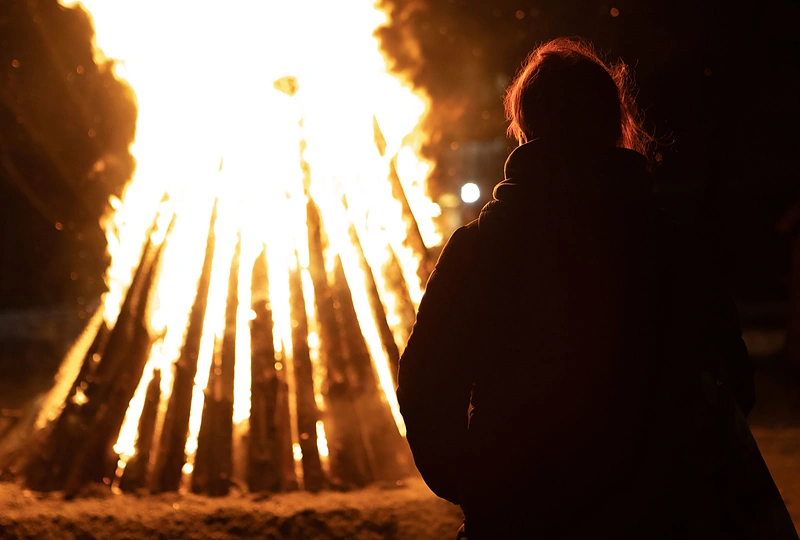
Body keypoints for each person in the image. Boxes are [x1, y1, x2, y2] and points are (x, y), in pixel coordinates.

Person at [396, 38, 795, 539]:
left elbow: (426, 383)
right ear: (613, 123)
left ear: (526, 126)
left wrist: (477, 480)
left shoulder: (482, 248)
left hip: (520, 517)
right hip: (656, 518)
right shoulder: (669, 246)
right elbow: (731, 379)